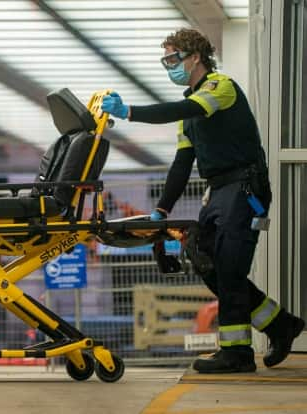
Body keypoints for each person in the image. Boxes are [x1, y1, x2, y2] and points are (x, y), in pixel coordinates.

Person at [101, 28, 305, 373]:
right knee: (206, 259)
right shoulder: (189, 116)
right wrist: (161, 209)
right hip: (219, 191)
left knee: (229, 267)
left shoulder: (219, 88)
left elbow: (185, 106)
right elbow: (183, 163)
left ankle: (237, 353)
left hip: (244, 189)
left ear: (195, 57)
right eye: (164, 60)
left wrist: (130, 112)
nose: (168, 66)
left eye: (173, 58)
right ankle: (279, 324)